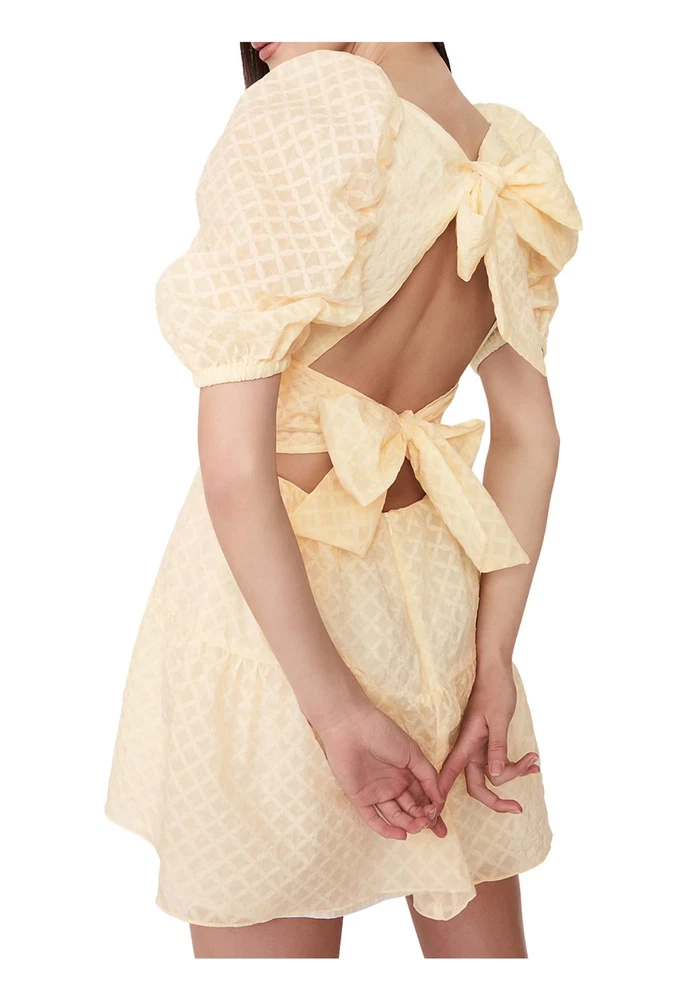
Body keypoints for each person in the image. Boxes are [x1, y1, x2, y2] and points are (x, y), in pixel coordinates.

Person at [105, 41, 582, 959]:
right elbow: (534, 437)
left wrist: (333, 712)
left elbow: (236, 469)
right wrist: (492, 661)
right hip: (437, 610)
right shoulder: (507, 157)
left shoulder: (312, 105)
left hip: (276, 626)